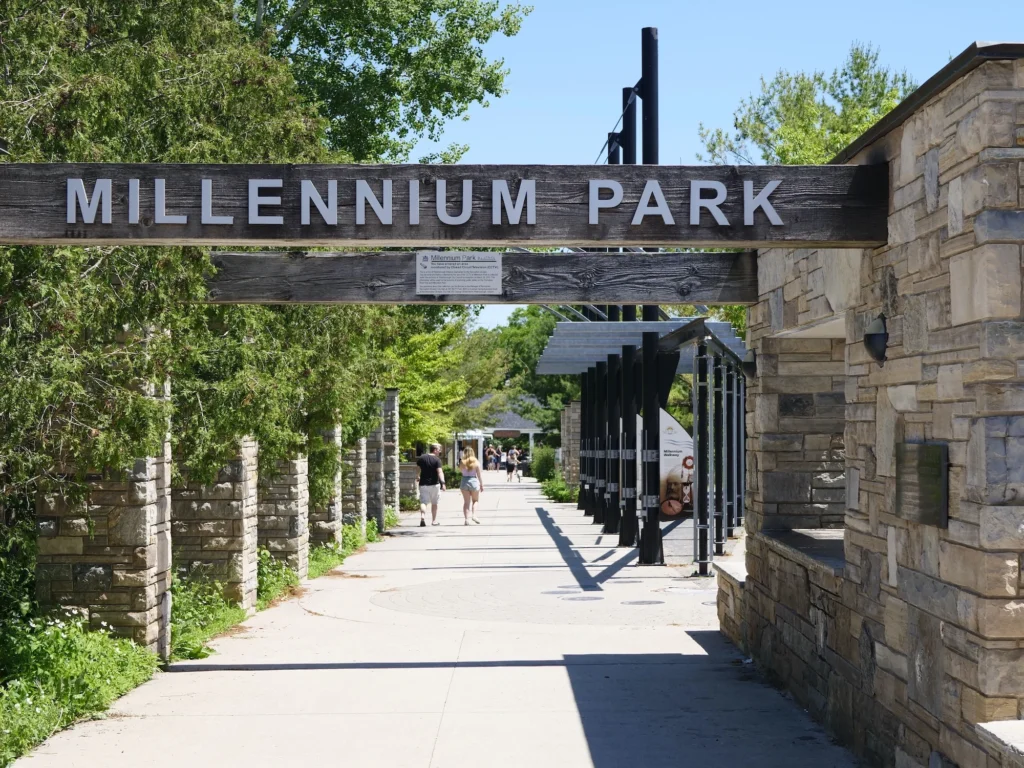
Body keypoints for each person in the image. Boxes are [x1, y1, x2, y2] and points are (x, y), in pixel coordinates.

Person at [416, 443, 446, 527]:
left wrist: (417, 476)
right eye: (439, 450)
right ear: (435, 450)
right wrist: (443, 483)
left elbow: (418, 468)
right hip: (434, 484)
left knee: (423, 502)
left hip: (423, 484)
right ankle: (434, 521)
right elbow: (440, 472)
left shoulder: (422, 458)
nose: (440, 451)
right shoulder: (437, 460)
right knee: (434, 503)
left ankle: (422, 517)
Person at [459, 447, 484, 525]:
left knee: (466, 502)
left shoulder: (462, 462)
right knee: (475, 500)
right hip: (474, 481)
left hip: (464, 481)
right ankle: (474, 515)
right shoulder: (476, 462)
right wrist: (481, 485)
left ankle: (466, 519)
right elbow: (479, 475)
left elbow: (461, 471)